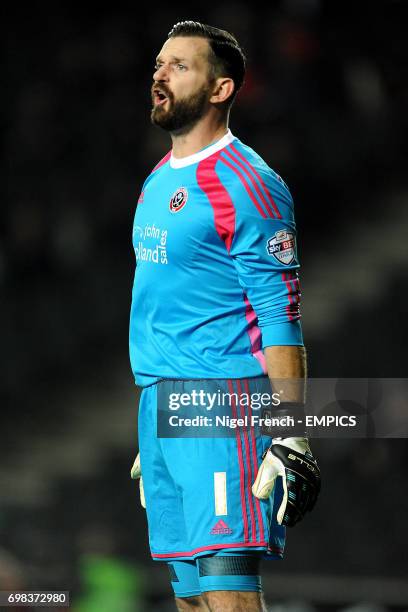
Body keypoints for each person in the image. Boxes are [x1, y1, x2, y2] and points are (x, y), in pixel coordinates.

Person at [129, 20, 320, 612]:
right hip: (165, 405)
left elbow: (281, 317)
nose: (160, 74)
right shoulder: (157, 181)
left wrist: (292, 431)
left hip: (223, 405)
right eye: (159, 63)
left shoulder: (250, 185)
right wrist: (158, 413)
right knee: (189, 598)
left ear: (221, 89)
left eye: (179, 65)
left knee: (228, 593)